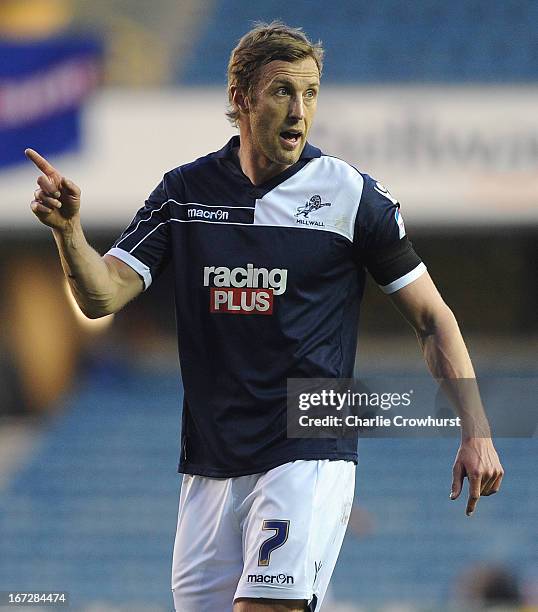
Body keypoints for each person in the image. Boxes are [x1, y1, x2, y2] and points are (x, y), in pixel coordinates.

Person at [26, 21, 504, 612]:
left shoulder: (352, 197)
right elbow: (101, 296)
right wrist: (69, 232)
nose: (299, 110)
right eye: (282, 91)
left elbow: (433, 317)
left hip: (308, 447)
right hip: (211, 464)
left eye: (309, 93)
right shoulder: (184, 194)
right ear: (240, 98)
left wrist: (476, 430)